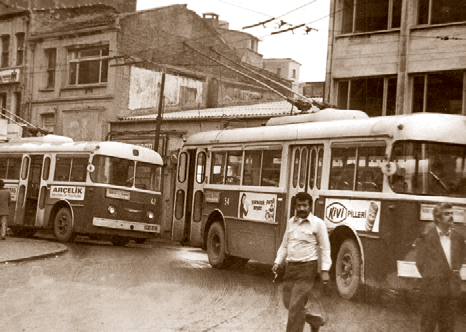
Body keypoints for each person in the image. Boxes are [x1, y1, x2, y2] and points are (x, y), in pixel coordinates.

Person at [272, 192, 332, 332]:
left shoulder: (318, 224)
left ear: (310, 206)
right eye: (299, 205)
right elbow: (285, 244)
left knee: (295, 306)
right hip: (291, 268)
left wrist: (325, 270)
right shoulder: (290, 223)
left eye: (305, 205)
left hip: (307, 268)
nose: (302, 208)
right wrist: (277, 261)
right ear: (295, 207)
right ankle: (314, 320)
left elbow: (325, 248)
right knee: (288, 302)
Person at [415, 202, 466, 332]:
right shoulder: (426, 238)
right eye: (447, 214)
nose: (451, 216)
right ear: (438, 218)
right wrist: (434, 277)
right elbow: (420, 263)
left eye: (452, 213)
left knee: (448, 328)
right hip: (432, 291)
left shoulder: (458, 238)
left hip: (451, 292)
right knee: (428, 327)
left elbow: (458, 261)